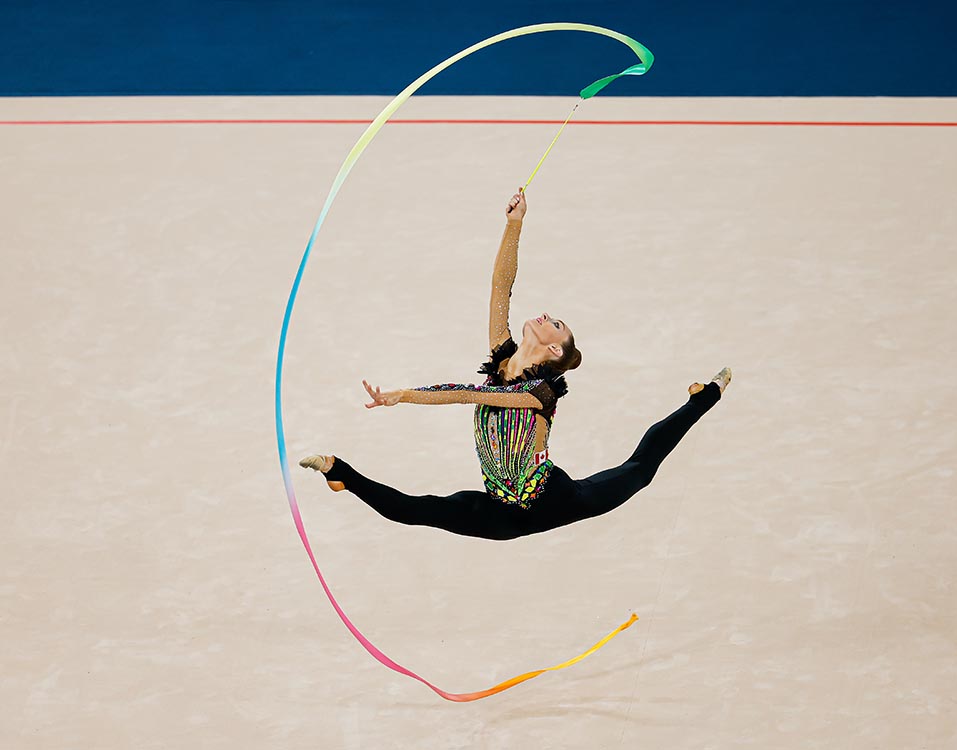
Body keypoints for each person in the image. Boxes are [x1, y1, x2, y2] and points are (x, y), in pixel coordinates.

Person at [300, 190, 731, 540]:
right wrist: (514, 224)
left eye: (555, 324)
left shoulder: (539, 393)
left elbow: (469, 394)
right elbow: (500, 287)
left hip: (553, 501)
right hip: (500, 509)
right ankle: (339, 473)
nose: (546, 316)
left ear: (555, 352)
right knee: (414, 511)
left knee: (639, 471)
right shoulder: (502, 356)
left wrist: (403, 396)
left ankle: (703, 396)